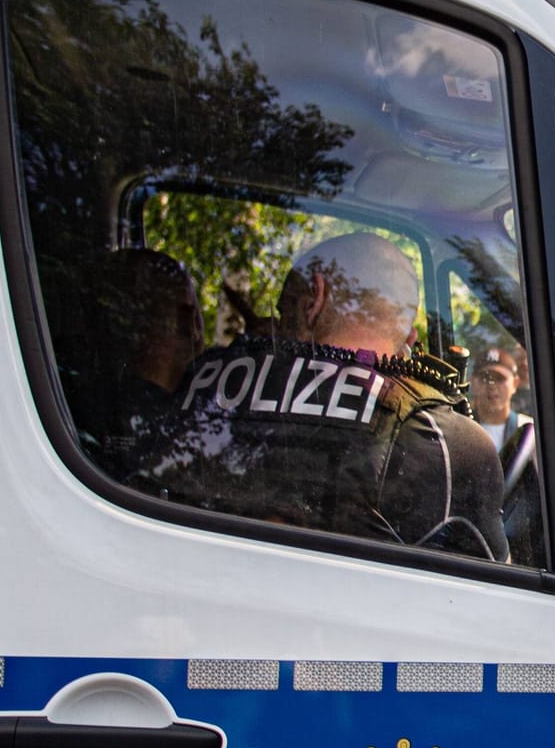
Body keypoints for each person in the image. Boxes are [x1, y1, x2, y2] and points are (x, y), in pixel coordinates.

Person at [128, 233, 509, 562]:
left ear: (313, 299)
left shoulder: (200, 381)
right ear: (409, 335)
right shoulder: (444, 441)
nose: (276, 327)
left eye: (281, 312)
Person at [73, 248, 204, 475]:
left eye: (195, 317)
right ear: (137, 325)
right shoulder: (88, 416)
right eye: (180, 317)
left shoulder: (205, 401)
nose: (194, 333)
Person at [470, 345, 529, 450]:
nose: (492, 385)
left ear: (515, 383)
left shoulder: (529, 432)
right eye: (485, 378)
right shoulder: (461, 429)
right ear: (473, 382)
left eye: (500, 378)